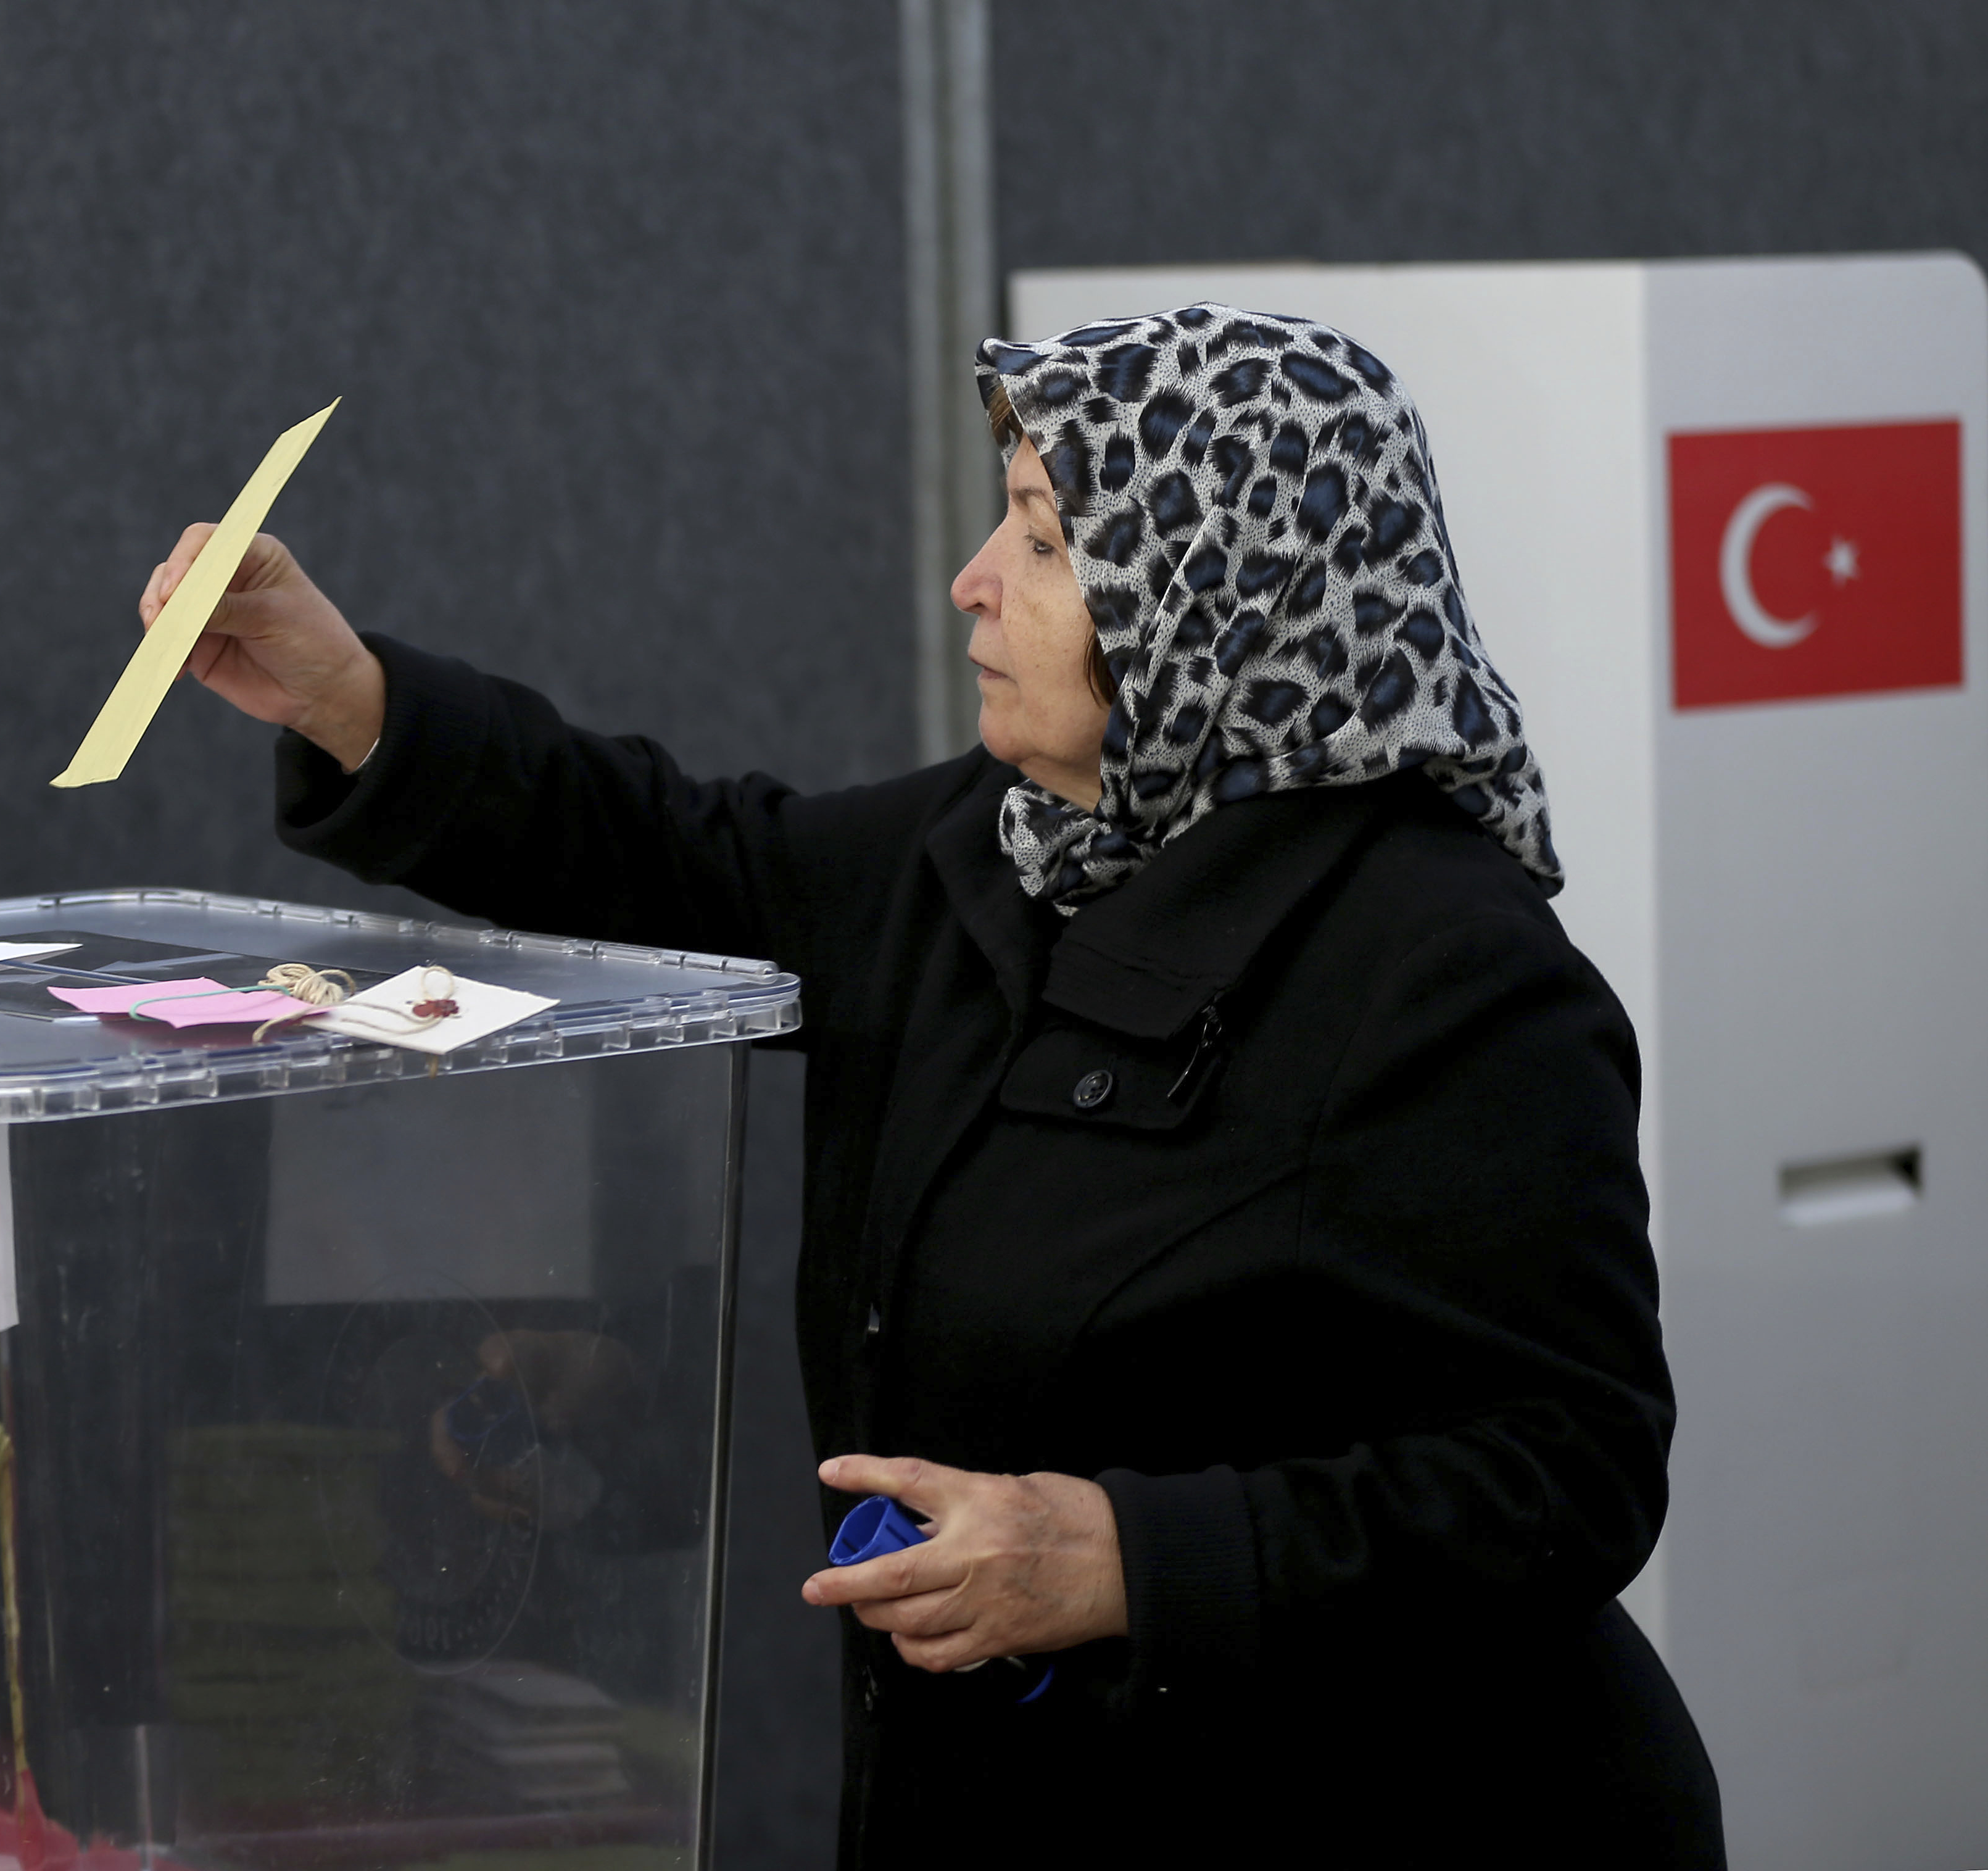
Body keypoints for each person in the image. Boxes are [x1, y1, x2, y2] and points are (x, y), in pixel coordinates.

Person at [135, 306, 1725, 1865]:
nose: (971, 579)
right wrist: (345, 695)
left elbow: (1569, 1472)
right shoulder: (996, 844)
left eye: (1040, 538)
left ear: (1220, 593)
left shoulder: (1445, 969)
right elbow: (672, 856)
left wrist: (1129, 1560)